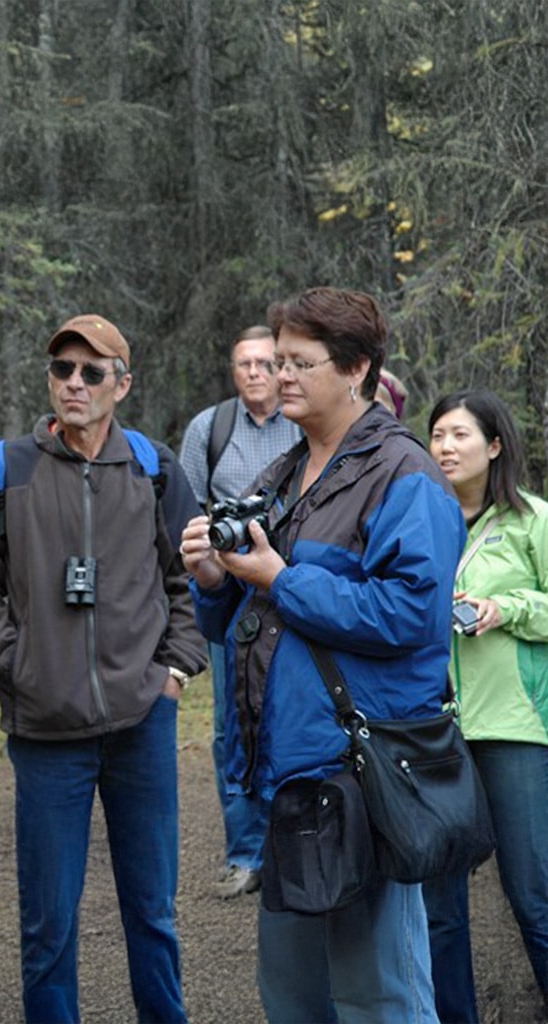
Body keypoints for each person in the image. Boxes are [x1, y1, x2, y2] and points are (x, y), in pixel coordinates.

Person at [180, 287, 465, 1023]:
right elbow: (250, 616)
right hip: (288, 778)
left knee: (379, 997)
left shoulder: (405, 476)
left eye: (300, 363)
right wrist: (217, 579)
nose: (281, 378)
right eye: (277, 361)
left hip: (362, 776)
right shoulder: (282, 474)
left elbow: (410, 615)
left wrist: (283, 577)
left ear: (358, 369)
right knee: (294, 998)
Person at [0, 313, 208, 1024]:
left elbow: (188, 577)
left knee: (152, 911)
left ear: (122, 383)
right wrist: (14, 661)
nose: (74, 383)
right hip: (45, 730)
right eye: (63, 369)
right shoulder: (4, 469)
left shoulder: (153, 469)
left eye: (93, 371)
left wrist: (174, 673)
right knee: (48, 925)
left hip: (140, 725)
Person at [423, 389, 548, 1024]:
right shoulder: (420, 519)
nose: (445, 446)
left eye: (460, 435)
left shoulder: (534, 521)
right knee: (439, 905)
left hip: (515, 726)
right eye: (438, 434)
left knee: (533, 895)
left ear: (494, 445)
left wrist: (511, 608)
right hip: (434, 730)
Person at [179, 325, 300, 899]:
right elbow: (185, 511)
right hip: (231, 603)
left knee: (292, 716)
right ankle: (245, 854)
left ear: (281, 368)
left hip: (293, 594)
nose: (254, 373)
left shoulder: (304, 422)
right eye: (243, 364)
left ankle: (295, 845)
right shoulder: (210, 428)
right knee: (233, 727)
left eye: (264, 363)